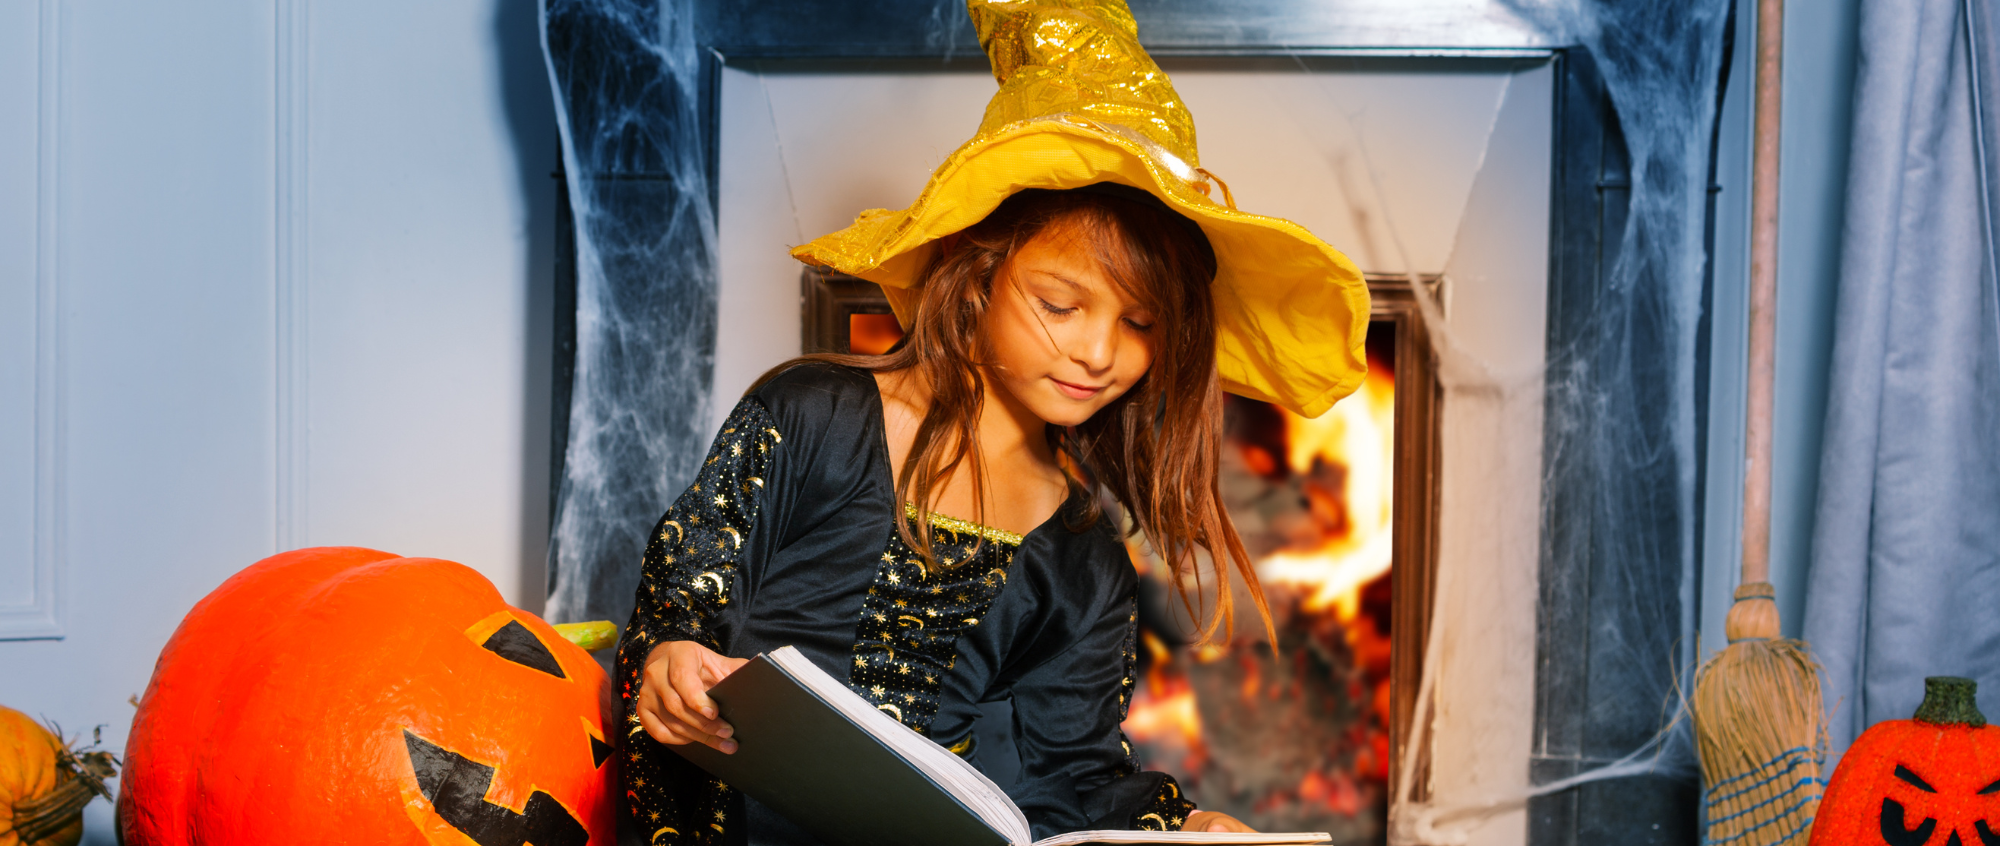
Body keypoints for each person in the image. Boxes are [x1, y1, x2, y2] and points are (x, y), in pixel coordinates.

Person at [614, 1, 1371, 843]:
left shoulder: (1084, 556)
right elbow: (680, 598)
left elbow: (1076, 777)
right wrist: (668, 660)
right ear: (973, 270)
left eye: (1140, 323)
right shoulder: (812, 415)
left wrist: (1189, 824)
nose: (1098, 352)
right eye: (1061, 304)